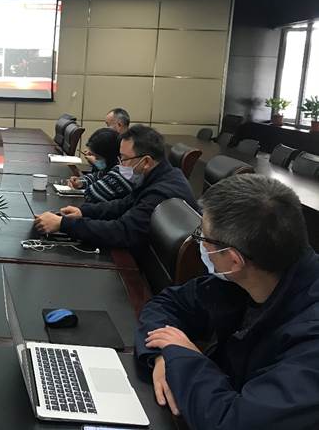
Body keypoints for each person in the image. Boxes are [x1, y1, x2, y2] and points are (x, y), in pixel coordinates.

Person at [135, 174, 319, 429]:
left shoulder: (311, 340)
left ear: (233, 260)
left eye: (202, 237)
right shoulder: (251, 273)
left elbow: (234, 422)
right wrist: (163, 356)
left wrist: (182, 357)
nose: (200, 244)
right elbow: (167, 304)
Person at [34, 125, 196, 248]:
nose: (120, 166)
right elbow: (122, 204)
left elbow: (122, 232)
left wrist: (63, 224)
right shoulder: (157, 175)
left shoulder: (161, 193)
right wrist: (83, 212)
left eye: (124, 159)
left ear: (146, 161)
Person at [68, 128, 133, 203]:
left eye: (98, 157)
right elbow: (98, 176)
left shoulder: (121, 174)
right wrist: (81, 182)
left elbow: (91, 194)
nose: (95, 159)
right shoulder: (111, 166)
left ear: (108, 155)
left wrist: (83, 187)